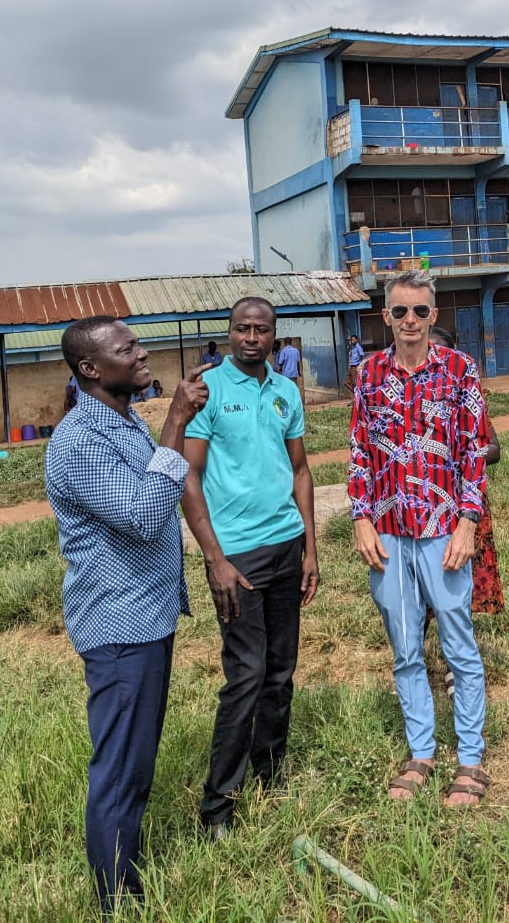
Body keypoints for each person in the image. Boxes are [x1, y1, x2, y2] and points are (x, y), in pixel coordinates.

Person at [44, 316, 209, 914]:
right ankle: (117, 901)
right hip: (119, 626)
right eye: (127, 348)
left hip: (146, 617)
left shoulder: (121, 420)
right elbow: (142, 514)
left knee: (135, 763)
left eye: (138, 344)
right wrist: (176, 421)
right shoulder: (79, 442)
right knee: (118, 769)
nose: (142, 354)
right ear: (90, 369)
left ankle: (125, 876)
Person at [349, 271, 491, 806]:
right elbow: (360, 451)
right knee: (405, 647)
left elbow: (474, 451)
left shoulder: (459, 370)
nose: (411, 320)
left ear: (435, 315)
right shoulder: (368, 374)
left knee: (459, 643)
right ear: (385, 316)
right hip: (387, 532)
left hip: (442, 530)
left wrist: (468, 523)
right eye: (400, 311)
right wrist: (361, 518)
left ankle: (471, 759)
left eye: (421, 311)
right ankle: (421, 752)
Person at [181, 297, 320, 839]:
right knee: (246, 675)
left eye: (262, 330)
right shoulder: (209, 390)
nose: (252, 338)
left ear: (274, 335)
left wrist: (310, 549)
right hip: (236, 555)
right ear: (230, 332)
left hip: (286, 546)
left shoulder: (286, 391)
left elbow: (301, 469)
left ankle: (268, 776)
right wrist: (214, 559)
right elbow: (189, 476)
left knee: (280, 672)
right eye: (243, 329)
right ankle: (218, 804)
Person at [428, 325, 504, 691]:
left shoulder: (467, 394)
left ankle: (455, 666)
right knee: (416, 588)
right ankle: (409, 663)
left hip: (463, 507)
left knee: (456, 587)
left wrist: (456, 453)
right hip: (420, 509)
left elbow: (494, 449)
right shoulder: (402, 397)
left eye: (441, 352)